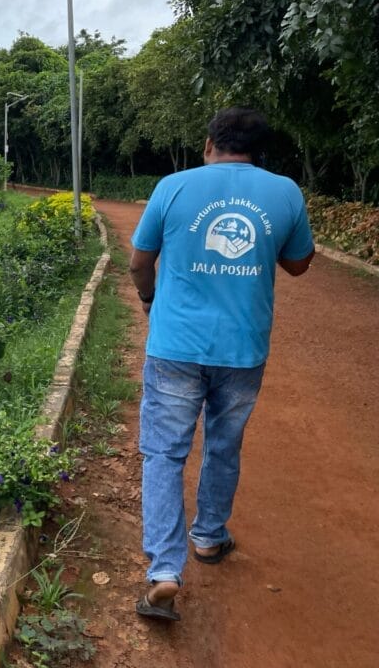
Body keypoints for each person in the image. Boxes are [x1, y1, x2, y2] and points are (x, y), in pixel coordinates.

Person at [128, 107, 315, 622]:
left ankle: (165, 571)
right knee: (223, 444)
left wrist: (148, 301)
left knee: (164, 455)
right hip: (243, 350)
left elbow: (140, 262)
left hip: (174, 348)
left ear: (209, 144)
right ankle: (209, 537)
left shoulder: (173, 187)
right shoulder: (285, 192)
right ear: (259, 152)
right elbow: (299, 264)